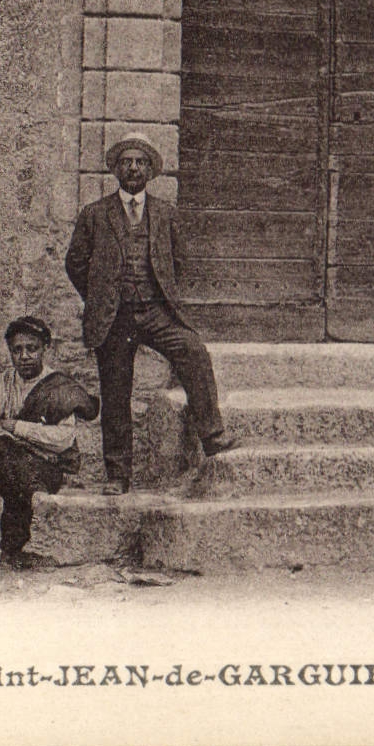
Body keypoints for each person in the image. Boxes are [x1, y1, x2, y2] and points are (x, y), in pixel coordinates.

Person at [65, 131, 238, 494]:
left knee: (193, 350)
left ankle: (212, 435)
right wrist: (100, 296)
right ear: (116, 169)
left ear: (150, 170)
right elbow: (75, 263)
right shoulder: (94, 215)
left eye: (140, 162)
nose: (133, 168)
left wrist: (162, 294)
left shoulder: (165, 214)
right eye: (126, 162)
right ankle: (117, 475)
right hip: (114, 317)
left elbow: (179, 261)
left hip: (155, 313)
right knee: (115, 393)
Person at [0, 315, 99, 571]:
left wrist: (15, 426)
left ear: (45, 349)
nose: (24, 356)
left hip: (45, 469)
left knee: (9, 464)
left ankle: (14, 549)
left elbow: (62, 439)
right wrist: (25, 441)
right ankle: (16, 550)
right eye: (17, 350)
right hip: (9, 463)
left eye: (32, 348)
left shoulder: (59, 388)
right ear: (10, 352)